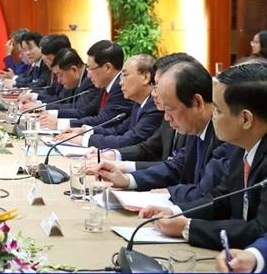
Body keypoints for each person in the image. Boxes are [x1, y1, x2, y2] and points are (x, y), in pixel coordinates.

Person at [138, 62, 267, 249]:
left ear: (245, 119)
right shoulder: (239, 148)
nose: (212, 115)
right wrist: (175, 212)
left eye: (218, 110)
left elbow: (260, 230)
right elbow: (220, 198)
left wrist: (188, 228)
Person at [93, 60, 224, 195]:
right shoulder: (196, 127)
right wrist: (127, 180)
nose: (166, 117)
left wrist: (171, 195)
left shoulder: (223, 136)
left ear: (197, 102)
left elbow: (210, 194)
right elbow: (178, 166)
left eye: (170, 109)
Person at [87, 53, 195, 171]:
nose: (153, 92)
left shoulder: (163, 111)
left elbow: (178, 168)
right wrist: (113, 155)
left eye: (157, 85)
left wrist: (122, 168)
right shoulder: (147, 106)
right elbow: (149, 147)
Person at [56, 54, 163, 148]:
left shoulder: (154, 106)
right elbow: (118, 130)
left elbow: (128, 140)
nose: (120, 82)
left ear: (145, 77)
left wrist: (84, 140)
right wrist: (85, 131)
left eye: (125, 75)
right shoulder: (139, 103)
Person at [47, 40, 133, 132]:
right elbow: (85, 111)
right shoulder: (105, 85)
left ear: (107, 68)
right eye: (87, 68)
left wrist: (62, 124)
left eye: (91, 68)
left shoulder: (121, 87)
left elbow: (104, 120)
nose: (88, 75)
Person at [35, 48, 101, 120]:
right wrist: (41, 106)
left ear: (74, 70)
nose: (59, 81)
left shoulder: (92, 81)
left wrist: (48, 110)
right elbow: (63, 101)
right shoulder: (72, 81)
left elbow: (79, 109)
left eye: (60, 75)